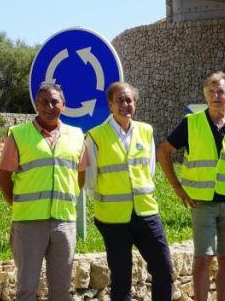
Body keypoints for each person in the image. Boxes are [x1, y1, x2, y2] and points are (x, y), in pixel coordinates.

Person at [159, 71, 225, 301]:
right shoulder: (191, 123)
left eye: (221, 92)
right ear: (205, 96)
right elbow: (163, 151)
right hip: (201, 201)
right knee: (203, 258)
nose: (216, 96)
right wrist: (176, 186)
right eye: (211, 92)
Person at [0, 82, 88, 301]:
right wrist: (18, 203)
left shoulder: (76, 136)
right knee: (26, 289)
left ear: (63, 105)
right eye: (44, 101)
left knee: (61, 290)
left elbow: (80, 175)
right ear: (36, 104)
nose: (49, 106)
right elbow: (2, 177)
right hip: (28, 223)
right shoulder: (18, 135)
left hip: (64, 222)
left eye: (55, 101)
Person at [85, 82, 174, 301]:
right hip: (113, 219)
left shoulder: (146, 131)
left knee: (164, 269)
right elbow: (89, 180)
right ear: (110, 105)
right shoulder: (96, 136)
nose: (125, 104)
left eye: (129, 100)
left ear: (135, 103)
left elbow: (149, 170)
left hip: (146, 213)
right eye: (120, 100)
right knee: (121, 278)